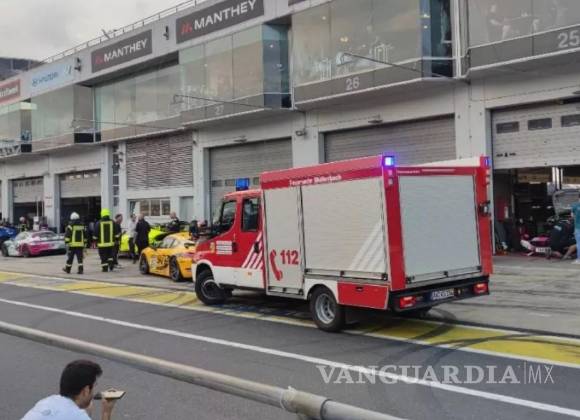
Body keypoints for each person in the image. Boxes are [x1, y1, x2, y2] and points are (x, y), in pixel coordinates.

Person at [21, 360, 116, 420]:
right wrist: (106, 412)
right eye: (94, 386)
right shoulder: (78, 416)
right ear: (86, 390)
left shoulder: (46, 401)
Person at [572, 198, 580, 265]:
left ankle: (579, 260)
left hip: (578, 228)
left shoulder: (574, 206)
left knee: (579, 244)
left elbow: (572, 216)